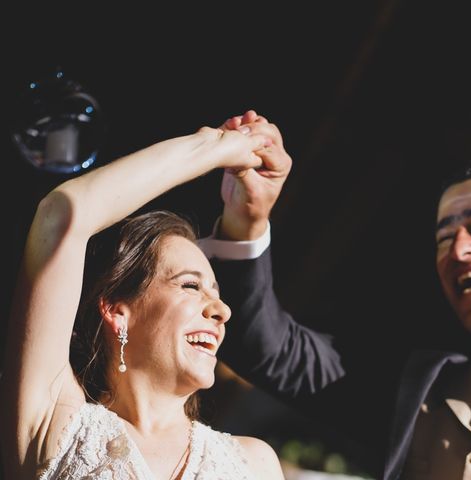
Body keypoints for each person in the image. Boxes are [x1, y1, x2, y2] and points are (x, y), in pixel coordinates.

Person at [200, 110, 471, 479]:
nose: (460, 249)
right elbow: (265, 347)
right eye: (445, 237)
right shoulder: (411, 381)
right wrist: (247, 218)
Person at [0, 120, 286, 480]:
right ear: (118, 310)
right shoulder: (55, 428)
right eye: (190, 286)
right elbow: (63, 213)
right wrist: (213, 148)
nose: (222, 310)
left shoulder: (255, 464)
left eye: (217, 292)